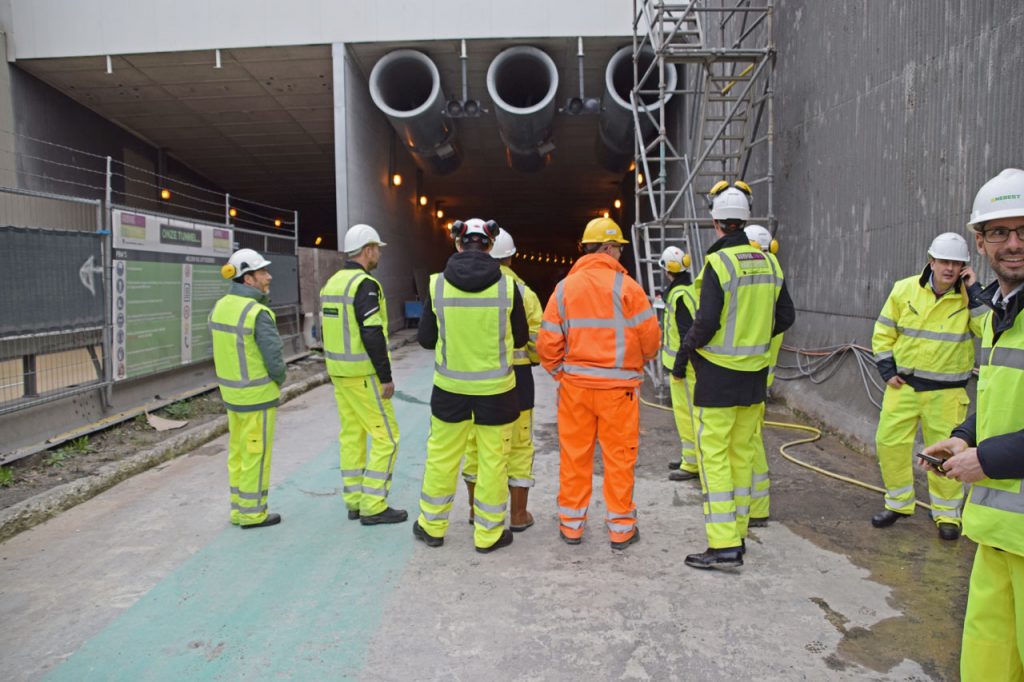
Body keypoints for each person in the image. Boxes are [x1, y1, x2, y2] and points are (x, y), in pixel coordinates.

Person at [922, 168, 1024, 680]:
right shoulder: (999, 314)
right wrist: (964, 437)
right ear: (980, 243)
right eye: (1000, 233)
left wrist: (987, 459)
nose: (1013, 244)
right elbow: (1001, 396)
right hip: (997, 531)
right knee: (986, 665)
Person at [678, 181, 795, 569]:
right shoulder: (769, 261)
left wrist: (689, 347)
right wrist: (755, 336)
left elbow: (706, 321)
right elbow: (786, 317)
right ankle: (739, 532)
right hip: (753, 377)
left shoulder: (719, 263)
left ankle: (724, 543)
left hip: (717, 376)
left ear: (716, 223)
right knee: (742, 454)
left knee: (714, 459)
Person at [537, 217, 660, 550]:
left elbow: (547, 344)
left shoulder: (564, 288)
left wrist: (562, 374)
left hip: (576, 390)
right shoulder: (628, 288)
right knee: (619, 458)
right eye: (618, 247)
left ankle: (572, 526)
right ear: (608, 248)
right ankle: (621, 530)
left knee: (575, 456)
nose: (620, 254)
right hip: (619, 393)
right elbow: (651, 341)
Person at [414, 218, 529, 553]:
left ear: (458, 244)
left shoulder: (436, 285)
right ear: (490, 246)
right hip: (497, 392)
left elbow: (424, 339)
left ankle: (432, 526)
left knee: (442, 458)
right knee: (494, 461)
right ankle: (489, 534)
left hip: (450, 391)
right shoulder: (508, 288)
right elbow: (521, 338)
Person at [870, 231, 983, 540]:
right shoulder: (904, 289)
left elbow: (987, 328)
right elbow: (884, 330)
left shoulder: (970, 298)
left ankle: (947, 513)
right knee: (889, 443)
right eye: (944, 261)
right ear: (931, 262)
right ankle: (898, 503)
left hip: (947, 393)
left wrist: (975, 292)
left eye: (957, 264)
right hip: (903, 386)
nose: (950, 268)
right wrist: (885, 366)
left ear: (964, 268)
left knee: (947, 454)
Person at [320, 223, 407, 526]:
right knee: (388, 439)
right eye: (377, 249)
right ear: (368, 250)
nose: (378, 254)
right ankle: (373, 504)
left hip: (339, 374)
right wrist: (385, 376)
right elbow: (371, 333)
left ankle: (355, 500)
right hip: (363, 374)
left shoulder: (332, 283)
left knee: (352, 436)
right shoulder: (365, 284)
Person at [460, 228, 543, 531]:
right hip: (518, 379)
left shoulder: (465, 286)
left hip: (476, 378)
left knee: (475, 445)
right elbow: (537, 339)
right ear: (510, 256)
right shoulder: (523, 292)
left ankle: (473, 510)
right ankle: (518, 515)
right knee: (519, 446)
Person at [209, 248, 286, 529]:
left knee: (238, 453)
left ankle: (239, 509)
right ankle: (253, 513)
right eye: (262, 272)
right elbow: (274, 356)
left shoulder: (220, 307)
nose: (269, 276)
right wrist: (279, 379)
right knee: (256, 454)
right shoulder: (257, 312)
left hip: (232, 395)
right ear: (248, 279)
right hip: (257, 395)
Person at [744, 224, 783, 526]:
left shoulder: (756, 273)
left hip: (748, 369)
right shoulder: (775, 271)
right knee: (752, 437)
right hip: (761, 367)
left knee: (749, 440)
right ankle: (756, 504)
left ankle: (756, 506)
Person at [658, 245, 700, 482]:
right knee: (687, 413)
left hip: (684, 367)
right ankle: (688, 456)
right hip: (687, 365)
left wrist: (679, 367)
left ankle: (691, 463)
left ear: (667, 270)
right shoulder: (689, 290)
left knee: (686, 414)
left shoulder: (680, 295)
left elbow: (686, 334)